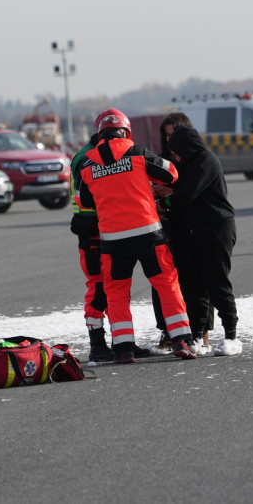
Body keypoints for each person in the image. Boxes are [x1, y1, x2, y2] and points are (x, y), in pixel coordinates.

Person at [77, 108, 197, 363]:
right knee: (167, 285)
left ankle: (123, 348)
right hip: (148, 233)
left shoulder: (87, 164)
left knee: (116, 293)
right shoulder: (138, 152)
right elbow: (172, 174)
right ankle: (182, 340)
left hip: (112, 240)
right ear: (126, 131)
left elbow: (86, 202)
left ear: (100, 133)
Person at [157, 126, 242, 356]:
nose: (176, 158)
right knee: (195, 283)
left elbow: (186, 194)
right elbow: (179, 188)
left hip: (217, 227)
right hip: (198, 229)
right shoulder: (191, 163)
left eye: (177, 152)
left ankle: (231, 335)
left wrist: (163, 203)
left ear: (186, 146)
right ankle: (196, 336)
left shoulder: (206, 160)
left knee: (217, 281)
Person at [69, 132, 152, 364]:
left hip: (104, 231)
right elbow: (92, 196)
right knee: (98, 288)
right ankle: (97, 344)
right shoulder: (87, 158)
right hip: (92, 234)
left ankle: (122, 342)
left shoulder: (91, 155)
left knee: (117, 289)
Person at [149, 111, 214, 354]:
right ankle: (168, 331)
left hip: (194, 225)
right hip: (168, 225)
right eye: (166, 136)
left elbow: (190, 192)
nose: (170, 141)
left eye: (173, 134)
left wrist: (169, 193)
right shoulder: (160, 159)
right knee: (165, 280)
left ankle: (202, 330)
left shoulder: (199, 159)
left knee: (198, 280)